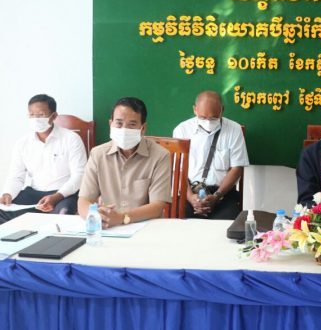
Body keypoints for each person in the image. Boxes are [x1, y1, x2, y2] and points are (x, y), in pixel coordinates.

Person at [0, 94, 87, 229]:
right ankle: (4, 243)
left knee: (63, 213)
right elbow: (16, 176)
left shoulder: (71, 139)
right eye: (32, 115)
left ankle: (53, 243)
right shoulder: (23, 143)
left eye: (40, 115)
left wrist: (56, 197)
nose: (35, 119)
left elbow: (79, 176)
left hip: (63, 194)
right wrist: (7, 193)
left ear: (54, 116)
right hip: (34, 193)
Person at [78, 97, 171, 228]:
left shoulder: (160, 156)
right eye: (119, 123)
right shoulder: (97, 154)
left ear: (143, 128)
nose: (124, 129)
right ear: (111, 124)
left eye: (132, 124)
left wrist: (122, 218)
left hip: (146, 226)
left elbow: (158, 206)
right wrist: (96, 216)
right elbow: (84, 200)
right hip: (108, 227)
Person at [173, 91, 249, 220]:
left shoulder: (234, 129)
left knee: (228, 225)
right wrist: (191, 197)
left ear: (222, 110)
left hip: (222, 194)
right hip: (190, 192)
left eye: (213, 118)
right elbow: (178, 170)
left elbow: (236, 169)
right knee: (176, 222)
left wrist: (217, 196)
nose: (208, 122)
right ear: (195, 110)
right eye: (203, 118)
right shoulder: (182, 130)